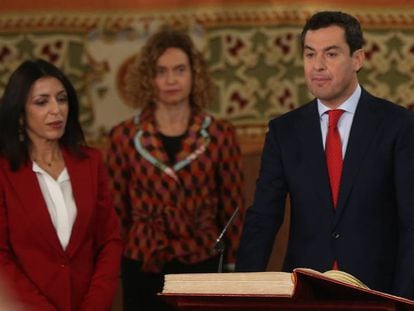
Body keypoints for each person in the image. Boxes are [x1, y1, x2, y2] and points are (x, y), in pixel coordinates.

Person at [236, 11, 414, 300]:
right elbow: (264, 218)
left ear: (357, 59)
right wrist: (238, 293)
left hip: (378, 292)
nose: (317, 66)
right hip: (306, 292)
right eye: (309, 54)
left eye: (331, 54)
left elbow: (411, 223)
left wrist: (405, 299)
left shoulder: (398, 125)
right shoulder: (284, 131)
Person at [106, 28, 244, 310]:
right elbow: (116, 210)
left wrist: (233, 264)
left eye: (179, 70)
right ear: (148, 78)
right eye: (161, 71)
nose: (171, 80)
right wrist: (113, 265)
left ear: (194, 75)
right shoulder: (124, 135)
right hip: (144, 260)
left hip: (201, 258)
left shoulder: (219, 134)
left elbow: (233, 206)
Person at [0, 59, 123, 310]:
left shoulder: (91, 162)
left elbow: (109, 241)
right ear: (20, 113)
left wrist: (95, 306)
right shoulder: (4, 172)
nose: (56, 110)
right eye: (42, 102)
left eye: (62, 99)